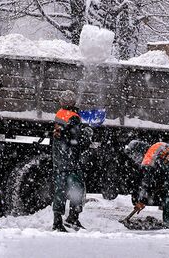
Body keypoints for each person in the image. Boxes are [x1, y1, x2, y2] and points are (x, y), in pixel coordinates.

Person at [51, 90, 92, 232]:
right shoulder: (73, 117)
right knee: (78, 190)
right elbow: (77, 142)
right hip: (71, 161)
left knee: (60, 191)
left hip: (59, 159)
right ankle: (73, 218)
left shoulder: (60, 114)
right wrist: (87, 133)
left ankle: (57, 221)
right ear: (73, 102)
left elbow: (64, 136)